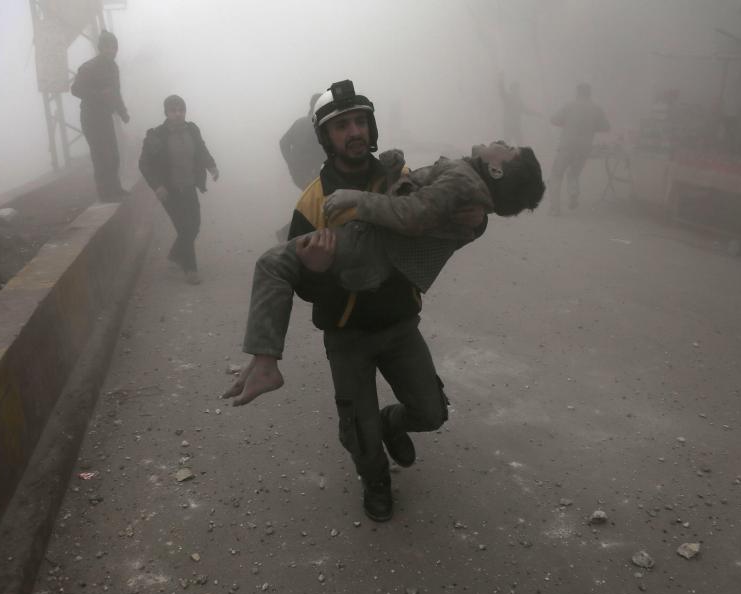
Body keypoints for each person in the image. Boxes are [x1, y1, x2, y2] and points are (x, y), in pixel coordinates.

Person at [229, 80, 540, 523]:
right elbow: (298, 286)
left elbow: (440, 220)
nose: (353, 132)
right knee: (360, 432)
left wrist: (478, 223)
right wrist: (317, 273)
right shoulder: (312, 200)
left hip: (399, 325)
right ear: (326, 137)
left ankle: (393, 424)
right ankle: (375, 480)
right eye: (341, 126)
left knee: (431, 412)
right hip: (347, 334)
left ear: (370, 127)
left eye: (359, 121)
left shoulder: (394, 176)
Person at [224, 141, 543, 407]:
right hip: (372, 269)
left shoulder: (464, 181)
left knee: (272, 263)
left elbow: (414, 214)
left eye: (509, 149)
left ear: (497, 169)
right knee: (284, 265)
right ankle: (263, 359)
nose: (503, 142)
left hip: (371, 248)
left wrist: (356, 198)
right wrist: (394, 172)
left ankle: (266, 365)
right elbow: (424, 205)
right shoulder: (471, 189)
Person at [138, 95, 219, 284]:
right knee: (185, 227)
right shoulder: (156, 135)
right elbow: (144, 164)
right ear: (166, 112)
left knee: (195, 225)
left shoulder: (192, 129)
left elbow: (201, 149)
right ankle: (191, 269)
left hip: (189, 186)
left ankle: (175, 253)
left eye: (181, 110)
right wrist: (157, 186)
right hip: (169, 191)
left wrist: (212, 166)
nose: (178, 114)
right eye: (173, 110)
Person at [71, 30, 130, 202]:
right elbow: (75, 90)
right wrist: (98, 94)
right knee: (101, 155)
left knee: (113, 154)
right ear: (101, 48)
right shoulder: (88, 67)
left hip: (105, 117)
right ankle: (105, 193)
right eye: (107, 47)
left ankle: (115, 188)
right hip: (91, 117)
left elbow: (115, 93)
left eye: (114, 47)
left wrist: (123, 112)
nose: (111, 51)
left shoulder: (113, 68)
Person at [547, 82, 610, 214]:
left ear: (577, 92)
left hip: (567, 146)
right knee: (574, 173)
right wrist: (592, 126)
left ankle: (555, 208)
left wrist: (567, 123)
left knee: (556, 175)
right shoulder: (596, 108)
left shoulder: (569, 106)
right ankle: (573, 193)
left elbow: (554, 120)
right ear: (589, 93)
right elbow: (606, 127)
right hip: (584, 148)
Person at [279, 93, 327, 191]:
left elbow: (283, 143)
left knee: (310, 199)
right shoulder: (322, 124)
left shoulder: (299, 122)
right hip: (317, 175)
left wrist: (291, 163)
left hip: (300, 175)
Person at [497, 72, 538, 146]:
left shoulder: (518, 101)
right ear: (512, 89)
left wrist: (536, 113)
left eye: (517, 89)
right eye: (516, 89)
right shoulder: (508, 98)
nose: (517, 90)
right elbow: (502, 91)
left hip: (515, 125)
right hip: (509, 125)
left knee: (519, 144)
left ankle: (519, 155)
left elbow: (526, 110)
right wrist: (501, 79)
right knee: (507, 144)